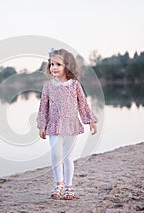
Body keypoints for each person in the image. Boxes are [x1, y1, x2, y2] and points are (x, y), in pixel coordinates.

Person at [37, 48, 98, 200]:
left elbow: (83, 104)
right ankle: (59, 184)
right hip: (53, 126)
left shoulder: (74, 85)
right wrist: (42, 125)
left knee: (68, 157)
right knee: (55, 155)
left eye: (58, 64)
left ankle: (69, 187)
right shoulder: (48, 86)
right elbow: (43, 107)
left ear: (67, 66)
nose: (54, 67)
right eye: (51, 64)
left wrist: (90, 120)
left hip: (71, 126)